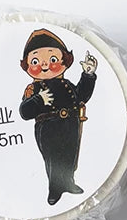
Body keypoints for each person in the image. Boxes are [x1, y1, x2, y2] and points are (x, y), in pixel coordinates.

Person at [19, 28, 98, 206]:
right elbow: (24, 112)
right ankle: (54, 189)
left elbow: (81, 96)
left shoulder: (66, 84)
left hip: (70, 123)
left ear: (64, 62)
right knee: (53, 159)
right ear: (28, 66)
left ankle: (68, 183)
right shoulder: (34, 89)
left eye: (53, 59)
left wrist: (88, 75)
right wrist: (39, 100)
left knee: (70, 155)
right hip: (48, 127)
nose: (45, 65)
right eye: (36, 61)